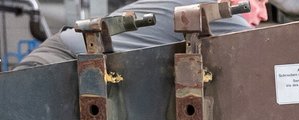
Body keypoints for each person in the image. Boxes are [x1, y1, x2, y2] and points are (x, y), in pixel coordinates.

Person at [13, 0, 262, 70]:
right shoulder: (219, 14)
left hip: (67, 55)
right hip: (60, 61)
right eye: (261, 2)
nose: (262, 13)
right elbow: (266, 52)